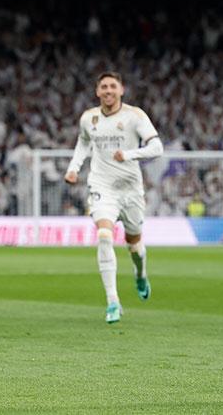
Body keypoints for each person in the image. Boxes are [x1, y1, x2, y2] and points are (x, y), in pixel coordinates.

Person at [64, 71, 163, 324]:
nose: (108, 91)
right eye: (104, 87)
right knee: (104, 236)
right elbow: (83, 143)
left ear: (121, 90)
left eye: (112, 86)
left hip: (130, 189)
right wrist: (74, 168)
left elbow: (157, 147)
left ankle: (140, 275)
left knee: (134, 245)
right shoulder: (89, 118)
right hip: (101, 186)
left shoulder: (135, 116)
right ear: (98, 92)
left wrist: (129, 155)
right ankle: (112, 302)